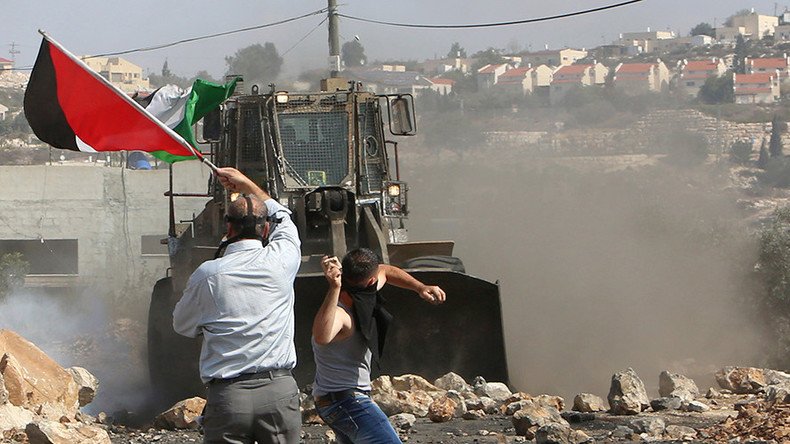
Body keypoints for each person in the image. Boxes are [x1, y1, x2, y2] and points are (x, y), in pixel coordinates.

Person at [173, 167, 301, 444]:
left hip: (229, 396)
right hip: (279, 391)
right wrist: (247, 184)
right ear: (266, 229)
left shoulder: (208, 274)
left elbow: (181, 325)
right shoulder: (283, 261)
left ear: (228, 227)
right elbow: (284, 218)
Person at [311, 248, 446, 444]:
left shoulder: (362, 289)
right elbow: (322, 336)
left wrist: (420, 287)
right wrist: (333, 288)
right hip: (346, 402)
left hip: (332, 402)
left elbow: (386, 271)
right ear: (371, 281)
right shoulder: (341, 313)